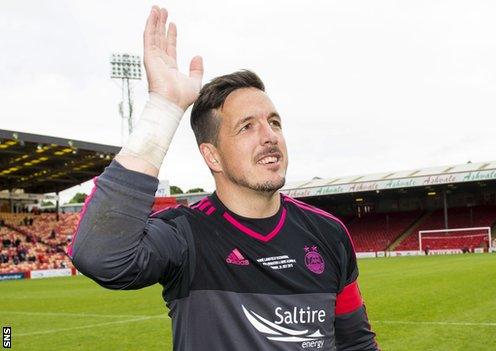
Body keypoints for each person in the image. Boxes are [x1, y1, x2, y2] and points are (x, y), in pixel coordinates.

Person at [70, 6, 378, 351]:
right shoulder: (185, 235)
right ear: (212, 155)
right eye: (247, 126)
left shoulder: (328, 233)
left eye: (274, 122)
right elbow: (99, 256)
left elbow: (356, 343)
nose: (269, 135)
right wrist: (164, 109)